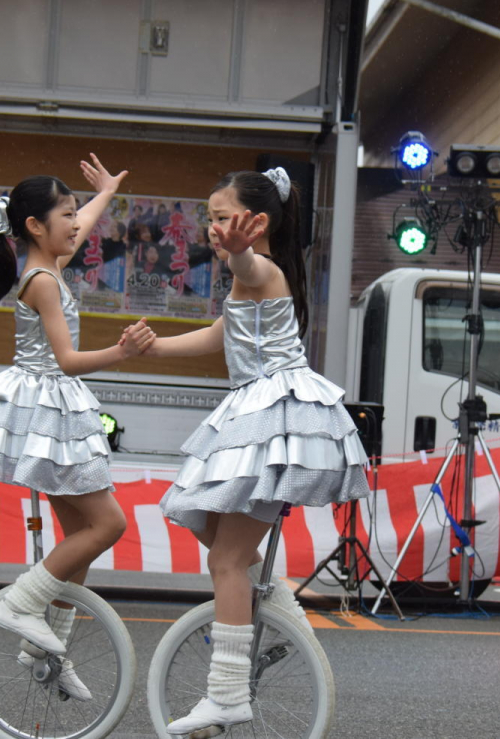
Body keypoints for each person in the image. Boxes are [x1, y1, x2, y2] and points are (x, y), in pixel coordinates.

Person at [149, 168, 369, 735]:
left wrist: (241, 253)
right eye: (212, 219)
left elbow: (252, 267)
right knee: (218, 543)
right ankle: (279, 611)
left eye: (222, 219)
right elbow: (223, 333)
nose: (213, 229)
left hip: (274, 418)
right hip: (259, 414)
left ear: (257, 224)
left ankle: (225, 695)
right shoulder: (248, 274)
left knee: (224, 559)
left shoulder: (259, 267)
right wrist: (155, 347)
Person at [0, 155, 153, 702]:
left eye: (76, 214)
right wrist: (122, 351)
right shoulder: (41, 281)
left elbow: (83, 223)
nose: (77, 223)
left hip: (53, 411)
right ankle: (19, 605)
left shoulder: (48, 265)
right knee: (107, 525)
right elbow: (65, 359)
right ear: (35, 226)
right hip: (48, 406)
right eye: (66, 214)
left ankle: (47, 649)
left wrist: (106, 191)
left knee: (78, 546)